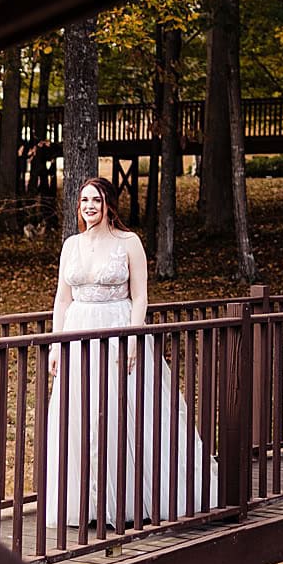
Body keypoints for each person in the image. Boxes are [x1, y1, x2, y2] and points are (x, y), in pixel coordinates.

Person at [41, 176, 216, 534]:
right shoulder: (71, 245)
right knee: (81, 416)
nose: (89, 206)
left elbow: (140, 297)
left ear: (109, 204)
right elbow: (62, 299)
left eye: (96, 200)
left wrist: (133, 338)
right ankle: (87, 502)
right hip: (78, 334)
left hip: (118, 331)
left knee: (120, 414)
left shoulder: (128, 242)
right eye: (84, 200)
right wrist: (57, 343)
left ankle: (129, 499)